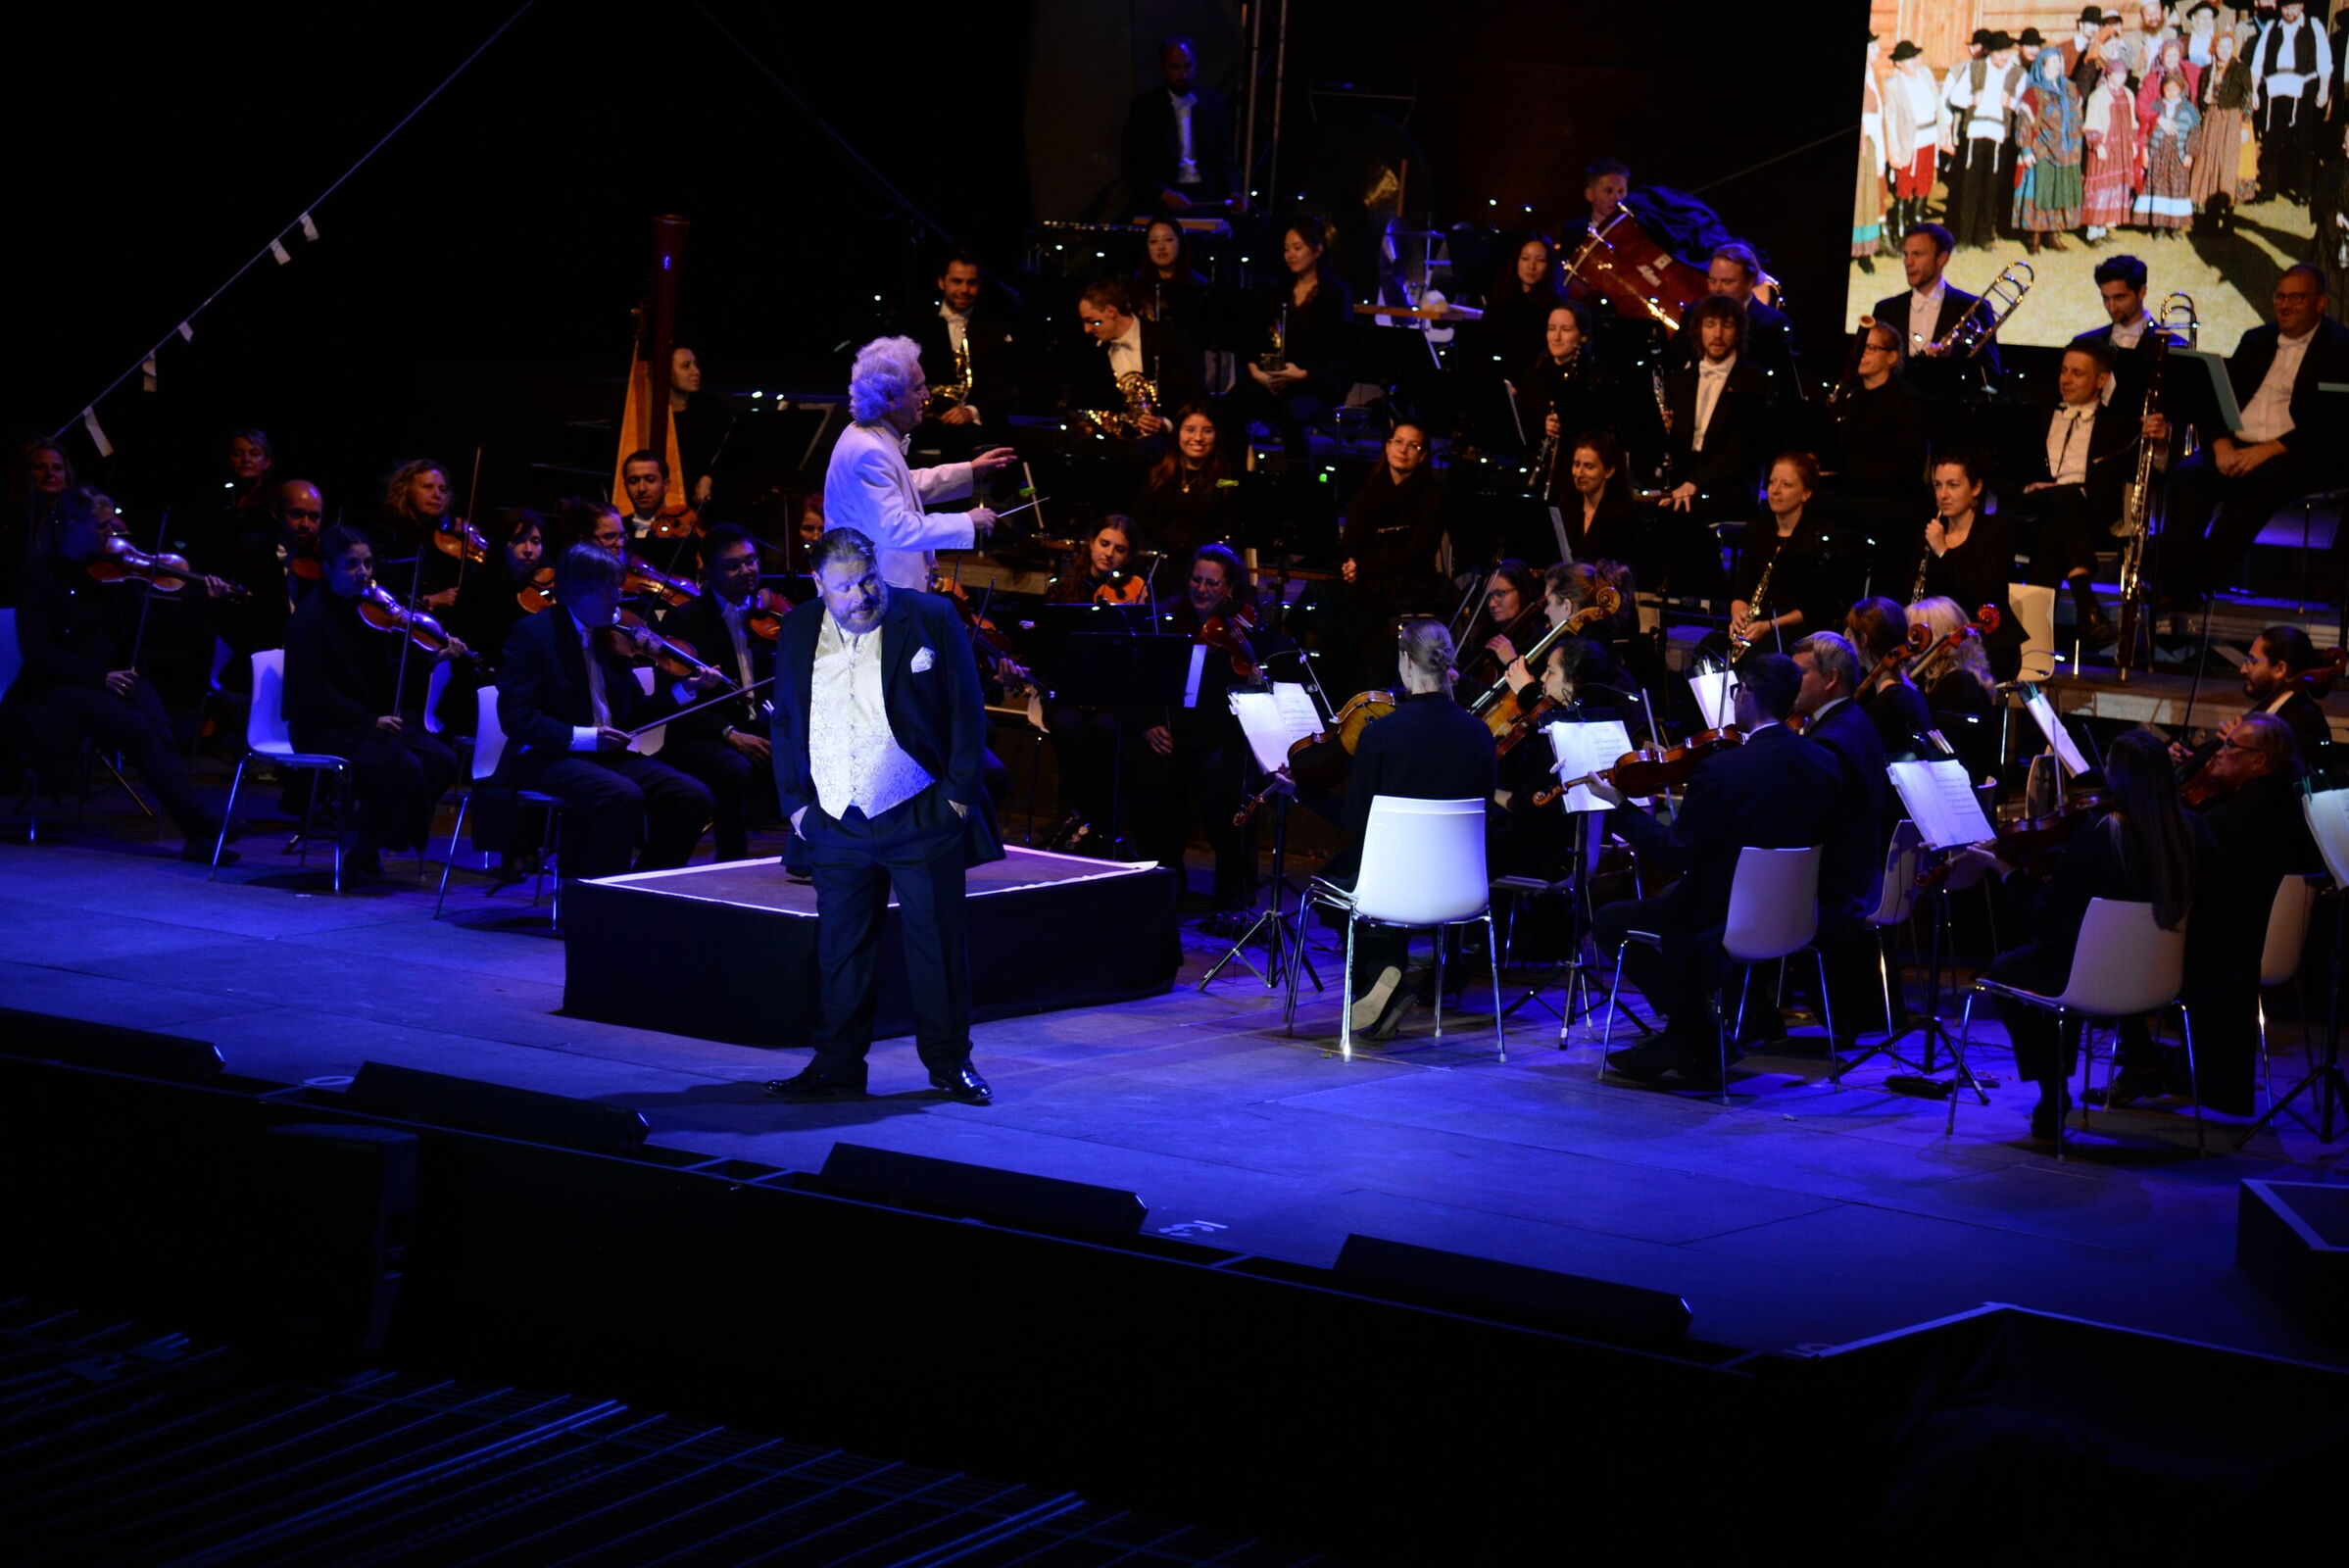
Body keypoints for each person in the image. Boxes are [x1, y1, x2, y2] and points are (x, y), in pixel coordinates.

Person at [759, 526, 1001, 1105]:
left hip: (919, 812)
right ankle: (837, 1065)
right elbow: (785, 719)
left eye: (867, 580)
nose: (861, 596)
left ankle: (949, 1063)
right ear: (818, 584)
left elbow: (967, 711)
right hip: (834, 818)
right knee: (841, 950)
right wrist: (796, 805)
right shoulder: (797, 627)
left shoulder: (931, 616)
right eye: (845, 587)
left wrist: (956, 799)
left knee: (936, 946)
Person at [1590, 654, 1841, 1089]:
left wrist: (1620, 806)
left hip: (1723, 920)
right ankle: (1695, 1037)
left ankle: (1695, 1031)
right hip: (1795, 917)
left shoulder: (1723, 769)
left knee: (1612, 921)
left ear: (1746, 694)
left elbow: (1674, 852)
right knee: (1673, 897)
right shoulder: (1824, 762)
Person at [1982, 728, 2210, 1142]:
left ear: (2117, 778)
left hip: (2093, 978)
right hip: (2163, 981)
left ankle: (2053, 1091)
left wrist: (2010, 876)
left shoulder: (2100, 834)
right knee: (2066, 961)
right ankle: (2138, 1059)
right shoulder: (2193, 832)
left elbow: (2050, 918)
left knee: (2011, 969)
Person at [4, 487, 234, 861]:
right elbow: (38, 649)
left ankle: (198, 836)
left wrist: (200, 600)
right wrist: (100, 677)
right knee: (134, 726)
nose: (111, 534)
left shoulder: (113, 573)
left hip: (113, 680)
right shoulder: (39, 572)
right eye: (101, 526)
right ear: (73, 524)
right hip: (57, 689)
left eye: (111, 524)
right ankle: (204, 825)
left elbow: (153, 627)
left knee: (160, 728)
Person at [492, 542, 713, 880]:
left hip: (605, 759)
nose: (618, 598)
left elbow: (636, 713)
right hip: (547, 756)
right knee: (620, 794)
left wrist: (687, 689)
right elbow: (518, 717)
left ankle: (642, 886)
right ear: (577, 592)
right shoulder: (534, 635)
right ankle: (596, 895)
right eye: (609, 590)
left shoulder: (609, 636)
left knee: (692, 797)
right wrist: (589, 738)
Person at [1324, 618, 1497, 1042]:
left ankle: (1386, 976)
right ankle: (1386, 988)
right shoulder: (1480, 733)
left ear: (1405, 662)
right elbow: (1487, 810)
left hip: (1393, 886)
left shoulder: (1381, 733)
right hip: (1460, 888)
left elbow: (1355, 821)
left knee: (1334, 889)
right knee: (1365, 881)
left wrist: (1305, 795)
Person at [2149, 265, 2349, 603]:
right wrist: (2221, 445)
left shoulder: (2340, 346)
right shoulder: (2255, 340)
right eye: (2280, 297)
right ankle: (2171, 584)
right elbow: (2218, 398)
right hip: (2236, 444)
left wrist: (2267, 450)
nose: (2284, 305)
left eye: (2296, 298)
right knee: (2187, 477)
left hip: (2295, 453)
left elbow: (2332, 422)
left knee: (2255, 491)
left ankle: (2198, 583)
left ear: (2320, 303)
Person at [2160, 710, 2323, 1113]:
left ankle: (2151, 1060)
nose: (2218, 752)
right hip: (2254, 943)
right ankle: (2168, 1063)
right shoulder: (2280, 798)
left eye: (2231, 746)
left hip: (2232, 947)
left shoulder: (2243, 814)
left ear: (2259, 761)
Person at [283, 525, 465, 877]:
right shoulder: (308, 619)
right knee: (401, 765)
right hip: (325, 726)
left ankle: (373, 839)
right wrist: (369, 721)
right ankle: (365, 847)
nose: (363, 572)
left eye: (367, 563)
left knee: (441, 760)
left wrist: (434, 658)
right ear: (328, 568)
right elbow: (312, 692)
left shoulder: (367, 612)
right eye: (352, 564)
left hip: (370, 723)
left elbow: (386, 672)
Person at [1133, 544, 1281, 929]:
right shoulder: (1168, 621)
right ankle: (1164, 889)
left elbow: (1262, 678)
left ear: (1229, 588)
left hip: (1221, 735)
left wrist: (1256, 672)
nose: (1201, 588)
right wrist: (1149, 724)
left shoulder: (1242, 626)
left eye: (1212, 583)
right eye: (1196, 580)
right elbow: (1142, 682)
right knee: (1153, 792)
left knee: (1227, 791)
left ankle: (1233, 900)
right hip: (1173, 732)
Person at [823, 335, 1017, 593]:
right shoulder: (870, 449)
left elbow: (903, 485)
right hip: (870, 598)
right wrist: (966, 522)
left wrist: (970, 471)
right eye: (917, 389)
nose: (927, 396)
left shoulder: (869, 434)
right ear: (890, 398)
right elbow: (895, 528)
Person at [646, 524, 773, 863]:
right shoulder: (685, 620)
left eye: (750, 560)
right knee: (734, 769)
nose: (747, 571)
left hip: (761, 725)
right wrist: (729, 733)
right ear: (709, 571)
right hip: (704, 734)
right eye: (733, 566)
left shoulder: (770, 616)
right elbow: (678, 701)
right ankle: (732, 861)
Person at [2004, 340, 2133, 646]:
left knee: (2053, 528)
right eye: (2063, 371)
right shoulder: (2036, 414)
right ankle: (2085, 603)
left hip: (2085, 518)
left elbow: (2145, 473)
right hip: (2033, 506)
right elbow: (2006, 472)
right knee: (2061, 500)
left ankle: (2031, 648)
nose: (2066, 380)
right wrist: (2029, 486)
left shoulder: (2116, 426)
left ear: (2101, 380)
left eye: (2077, 373)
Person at [1331, 422, 1446, 701]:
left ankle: (1368, 692)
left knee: (1366, 619)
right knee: (1323, 597)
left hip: (1408, 584)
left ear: (1423, 454)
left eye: (1413, 445)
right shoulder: (1370, 489)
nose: (1403, 450)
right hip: (1366, 580)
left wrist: (1362, 569)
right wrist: (1349, 565)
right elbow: (1350, 542)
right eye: (1398, 442)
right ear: (1387, 446)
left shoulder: (1431, 496)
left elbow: (1416, 554)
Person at [1230, 218, 1352, 471]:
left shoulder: (1335, 293)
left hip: (1314, 382)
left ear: (1317, 250)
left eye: (1297, 247)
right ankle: (1233, 481)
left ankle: (1300, 486)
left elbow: (1339, 349)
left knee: (1291, 415)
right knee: (1229, 406)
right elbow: (1254, 336)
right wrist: (1256, 371)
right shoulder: (1278, 291)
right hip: (1275, 379)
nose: (1290, 255)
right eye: (1286, 249)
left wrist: (1303, 373)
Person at [1658, 295, 1767, 541]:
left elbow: (1741, 451)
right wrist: (1666, 431)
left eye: (1726, 326)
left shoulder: (1754, 382)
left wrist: (1693, 484)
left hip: (1730, 486)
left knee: (1678, 520)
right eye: (1710, 325)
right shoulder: (1679, 381)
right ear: (1699, 330)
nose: (1717, 334)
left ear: (1738, 332)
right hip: (1684, 480)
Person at [1913, 452, 2024, 679]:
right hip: (1937, 642)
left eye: (1953, 485)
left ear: (1976, 488)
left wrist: (1943, 551)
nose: (1943, 494)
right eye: (1938, 485)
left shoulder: (1998, 532)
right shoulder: (1931, 532)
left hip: (1988, 643)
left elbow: (1984, 593)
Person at [2174, 622, 2336, 775]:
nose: (2243, 670)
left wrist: (2240, 747)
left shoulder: (2305, 720)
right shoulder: (2269, 709)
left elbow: (2289, 779)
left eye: (2252, 661)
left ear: (2279, 669)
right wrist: (2194, 760)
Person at [1827, 318, 1930, 557]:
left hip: (1891, 498)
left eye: (1870, 348)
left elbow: (1908, 465)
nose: (1861, 354)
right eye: (1859, 347)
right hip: (1856, 494)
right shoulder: (1852, 397)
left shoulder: (1908, 401)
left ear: (1891, 357)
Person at [1726, 453, 1835, 661]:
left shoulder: (1819, 537)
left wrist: (1768, 626)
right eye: (1772, 482)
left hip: (1794, 628)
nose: (1775, 490)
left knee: (1757, 656)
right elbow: (1742, 589)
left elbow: (1813, 607)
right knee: (1708, 647)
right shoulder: (1756, 529)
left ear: (1806, 493)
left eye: (1786, 484)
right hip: (1758, 624)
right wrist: (1739, 618)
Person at [1069, 278, 1202, 444]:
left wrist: (1165, 423)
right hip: (1111, 442)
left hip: (1164, 442)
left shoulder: (1167, 338)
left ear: (1111, 311)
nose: (1087, 329)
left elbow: (1192, 392)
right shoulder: (1092, 350)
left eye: (1092, 321)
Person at [1120, 32, 1242, 215]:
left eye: (1188, 66)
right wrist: (1162, 193)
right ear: (1163, 67)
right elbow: (1133, 166)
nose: (1183, 74)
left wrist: (1234, 191)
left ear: (1196, 64)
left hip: (1206, 196)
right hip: (1163, 198)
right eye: (1175, 67)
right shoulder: (1145, 108)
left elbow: (1225, 157)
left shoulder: (1213, 104)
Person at [1872, 222, 2002, 387]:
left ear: (1942, 258)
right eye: (1906, 254)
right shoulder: (1885, 310)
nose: (1908, 262)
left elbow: (1991, 376)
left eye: (1917, 254)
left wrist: (1951, 358)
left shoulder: (1974, 308)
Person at [914, 251, 1018, 444]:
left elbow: (1005, 387)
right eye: (957, 281)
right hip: (922, 430)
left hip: (976, 433)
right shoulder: (917, 324)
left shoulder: (997, 329)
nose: (964, 289)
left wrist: (971, 411)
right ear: (941, 282)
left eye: (972, 283)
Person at [220, 478, 327, 659]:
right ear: (276, 513)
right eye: (297, 514)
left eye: (314, 517)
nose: (306, 524)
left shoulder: (327, 558)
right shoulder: (249, 551)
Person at [1685, 242, 1798, 402]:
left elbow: (1784, 385)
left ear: (1750, 281)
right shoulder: (1693, 313)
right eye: (1712, 280)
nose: (1717, 289)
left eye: (1727, 282)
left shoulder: (1772, 324)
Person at [2071, 253, 2180, 414]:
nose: (2111, 307)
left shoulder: (2174, 346)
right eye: (2106, 298)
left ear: (2141, 292)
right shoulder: (2084, 343)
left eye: (2119, 298)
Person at [1946, 32, 2025, 251]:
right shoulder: (1976, 68)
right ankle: (1963, 237)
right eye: (2000, 53)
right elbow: (1955, 97)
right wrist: (1972, 99)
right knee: (1969, 185)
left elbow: (2023, 102)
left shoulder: (2017, 72)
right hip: (1975, 131)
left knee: (1992, 186)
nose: (2004, 58)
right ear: (1990, 52)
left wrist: (2011, 102)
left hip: (1998, 134)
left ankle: (1983, 237)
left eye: (2007, 53)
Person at [2253, 1, 2333, 204]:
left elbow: (2324, 60)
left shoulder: (2314, 26)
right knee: (2271, 141)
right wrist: (2254, 91)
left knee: (2303, 141)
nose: (2290, 12)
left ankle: (2303, 192)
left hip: (2304, 90)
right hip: (2274, 90)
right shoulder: (2271, 27)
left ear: (2302, 6)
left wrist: (2323, 89)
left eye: (2294, 7)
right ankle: (2268, 191)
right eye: (2286, 8)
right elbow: (2258, 61)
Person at [1133, 404, 1236, 562]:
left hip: (1204, 562)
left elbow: (1226, 529)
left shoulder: (1227, 480)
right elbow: (1143, 523)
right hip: (1155, 559)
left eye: (1207, 431)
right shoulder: (1156, 475)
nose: (1198, 438)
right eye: (1190, 430)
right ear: (1177, 434)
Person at [2015, 46, 2087, 251]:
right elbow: (2024, 122)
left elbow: (2077, 116)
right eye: (2052, 61)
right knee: (2042, 192)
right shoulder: (2033, 92)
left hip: (2067, 151)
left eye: (2059, 61)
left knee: (2060, 192)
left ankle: (2054, 235)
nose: (2057, 65)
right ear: (2042, 65)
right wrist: (2026, 149)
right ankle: (2035, 237)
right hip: (2043, 150)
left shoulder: (2071, 89)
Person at [1846, 596, 1937, 760]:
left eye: (1851, 636)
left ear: (1864, 640)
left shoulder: (1890, 702)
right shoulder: (1910, 692)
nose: (1848, 642)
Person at [378, 457, 465, 610]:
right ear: (406, 491)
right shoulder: (389, 534)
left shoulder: (444, 535)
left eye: (442, 489)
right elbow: (382, 589)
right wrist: (429, 599)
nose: (437, 495)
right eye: (428, 487)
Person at [1884, 41, 1946, 244]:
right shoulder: (1893, 85)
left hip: (1929, 139)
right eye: (1907, 59)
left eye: (1914, 58)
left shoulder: (1925, 75)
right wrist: (1893, 152)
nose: (1913, 62)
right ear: (1898, 63)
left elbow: (1938, 105)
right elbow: (1891, 120)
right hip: (1910, 142)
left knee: (1924, 183)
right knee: (1904, 185)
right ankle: (1899, 230)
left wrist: (1943, 132)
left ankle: (1917, 226)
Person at [2188, 28, 2256, 212]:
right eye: (2221, 46)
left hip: (2232, 118)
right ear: (2214, 48)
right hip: (2212, 118)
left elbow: (2247, 97)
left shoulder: (2241, 69)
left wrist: (2245, 124)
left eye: (2228, 47)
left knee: (2227, 160)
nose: (2225, 50)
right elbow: (2202, 98)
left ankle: (2226, 203)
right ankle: (2203, 199)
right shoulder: (2207, 70)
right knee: (2207, 156)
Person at [1483, 234, 1565, 379]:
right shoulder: (1500, 297)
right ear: (1517, 261)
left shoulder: (1555, 306)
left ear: (1549, 265)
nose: (1531, 266)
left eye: (1540, 260)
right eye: (1525, 258)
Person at [668, 345, 735, 516]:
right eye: (686, 366)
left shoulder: (714, 410)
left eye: (696, 365)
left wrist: (709, 477)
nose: (696, 371)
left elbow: (728, 456)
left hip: (709, 503)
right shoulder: (652, 413)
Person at [2131, 71, 2201, 233]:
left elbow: (2195, 132)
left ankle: (2175, 226)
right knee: (2159, 188)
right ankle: (2159, 226)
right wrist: (2145, 151)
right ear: (2162, 89)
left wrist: (2190, 153)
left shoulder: (2188, 108)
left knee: (2177, 188)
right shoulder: (2155, 106)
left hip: (2179, 154)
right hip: (2158, 154)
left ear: (2181, 89)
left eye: (2175, 89)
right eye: (2167, 89)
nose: (2171, 93)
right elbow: (2145, 130)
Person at [1560, 430, 1643, 564]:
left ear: (1609, 471)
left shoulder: (1624, 515)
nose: (1579, 473)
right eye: (1576, 464)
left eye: (1589, 466)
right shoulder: (1566, 506)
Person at [2082, 53, 2141, 241]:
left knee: (2115, 188)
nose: (2121, 77)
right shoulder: (2098, 95)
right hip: (2105, 147)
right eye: (2117, 73)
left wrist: (2133, 142)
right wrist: (2098, 144)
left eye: (2123, 73)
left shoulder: (2128, 94)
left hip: (2122, 148)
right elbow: (2091, 122)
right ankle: (2092, 230)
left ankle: (2104, 228)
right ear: (2108, 75)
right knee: (2100, 187)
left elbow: (2132, 121)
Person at [1907, 595, 1999, 714]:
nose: (1906, 646)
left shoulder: (1957, 687)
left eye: (1914, 637)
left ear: (1932, 639)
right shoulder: (1933, 682)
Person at [1855, 35, 1888, 266]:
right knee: (1858, 197)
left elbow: (1880, 114)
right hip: (1862, 143)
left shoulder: (1873, 74)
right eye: (1873, 47)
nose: (1877, 51)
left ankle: (1866, 251)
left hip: (1873, 140)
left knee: (1869, 197)